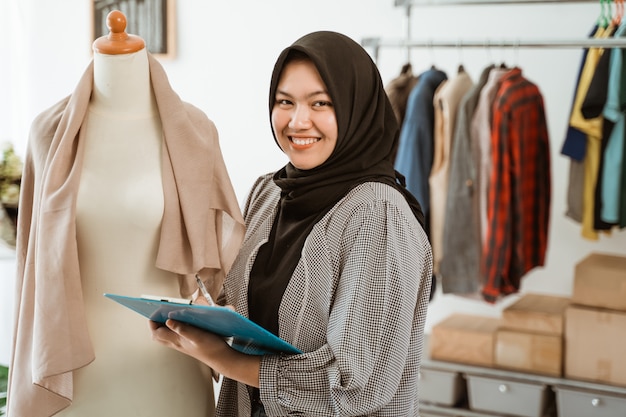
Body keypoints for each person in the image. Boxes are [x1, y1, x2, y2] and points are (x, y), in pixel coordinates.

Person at [151, 30, 433, 416]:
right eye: (285, 102)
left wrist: (223, 358)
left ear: (355, 110)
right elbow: (259, 310)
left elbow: (356, 384)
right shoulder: (268, 193)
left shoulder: (378, 213)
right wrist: (207, 318)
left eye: (321, 103)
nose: (298, 121)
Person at [7, 10, 245, 417]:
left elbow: (225, 263)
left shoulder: (195, 131)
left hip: (169, 365)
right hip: (74, 370)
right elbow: (30, 267)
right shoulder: (46, 133)